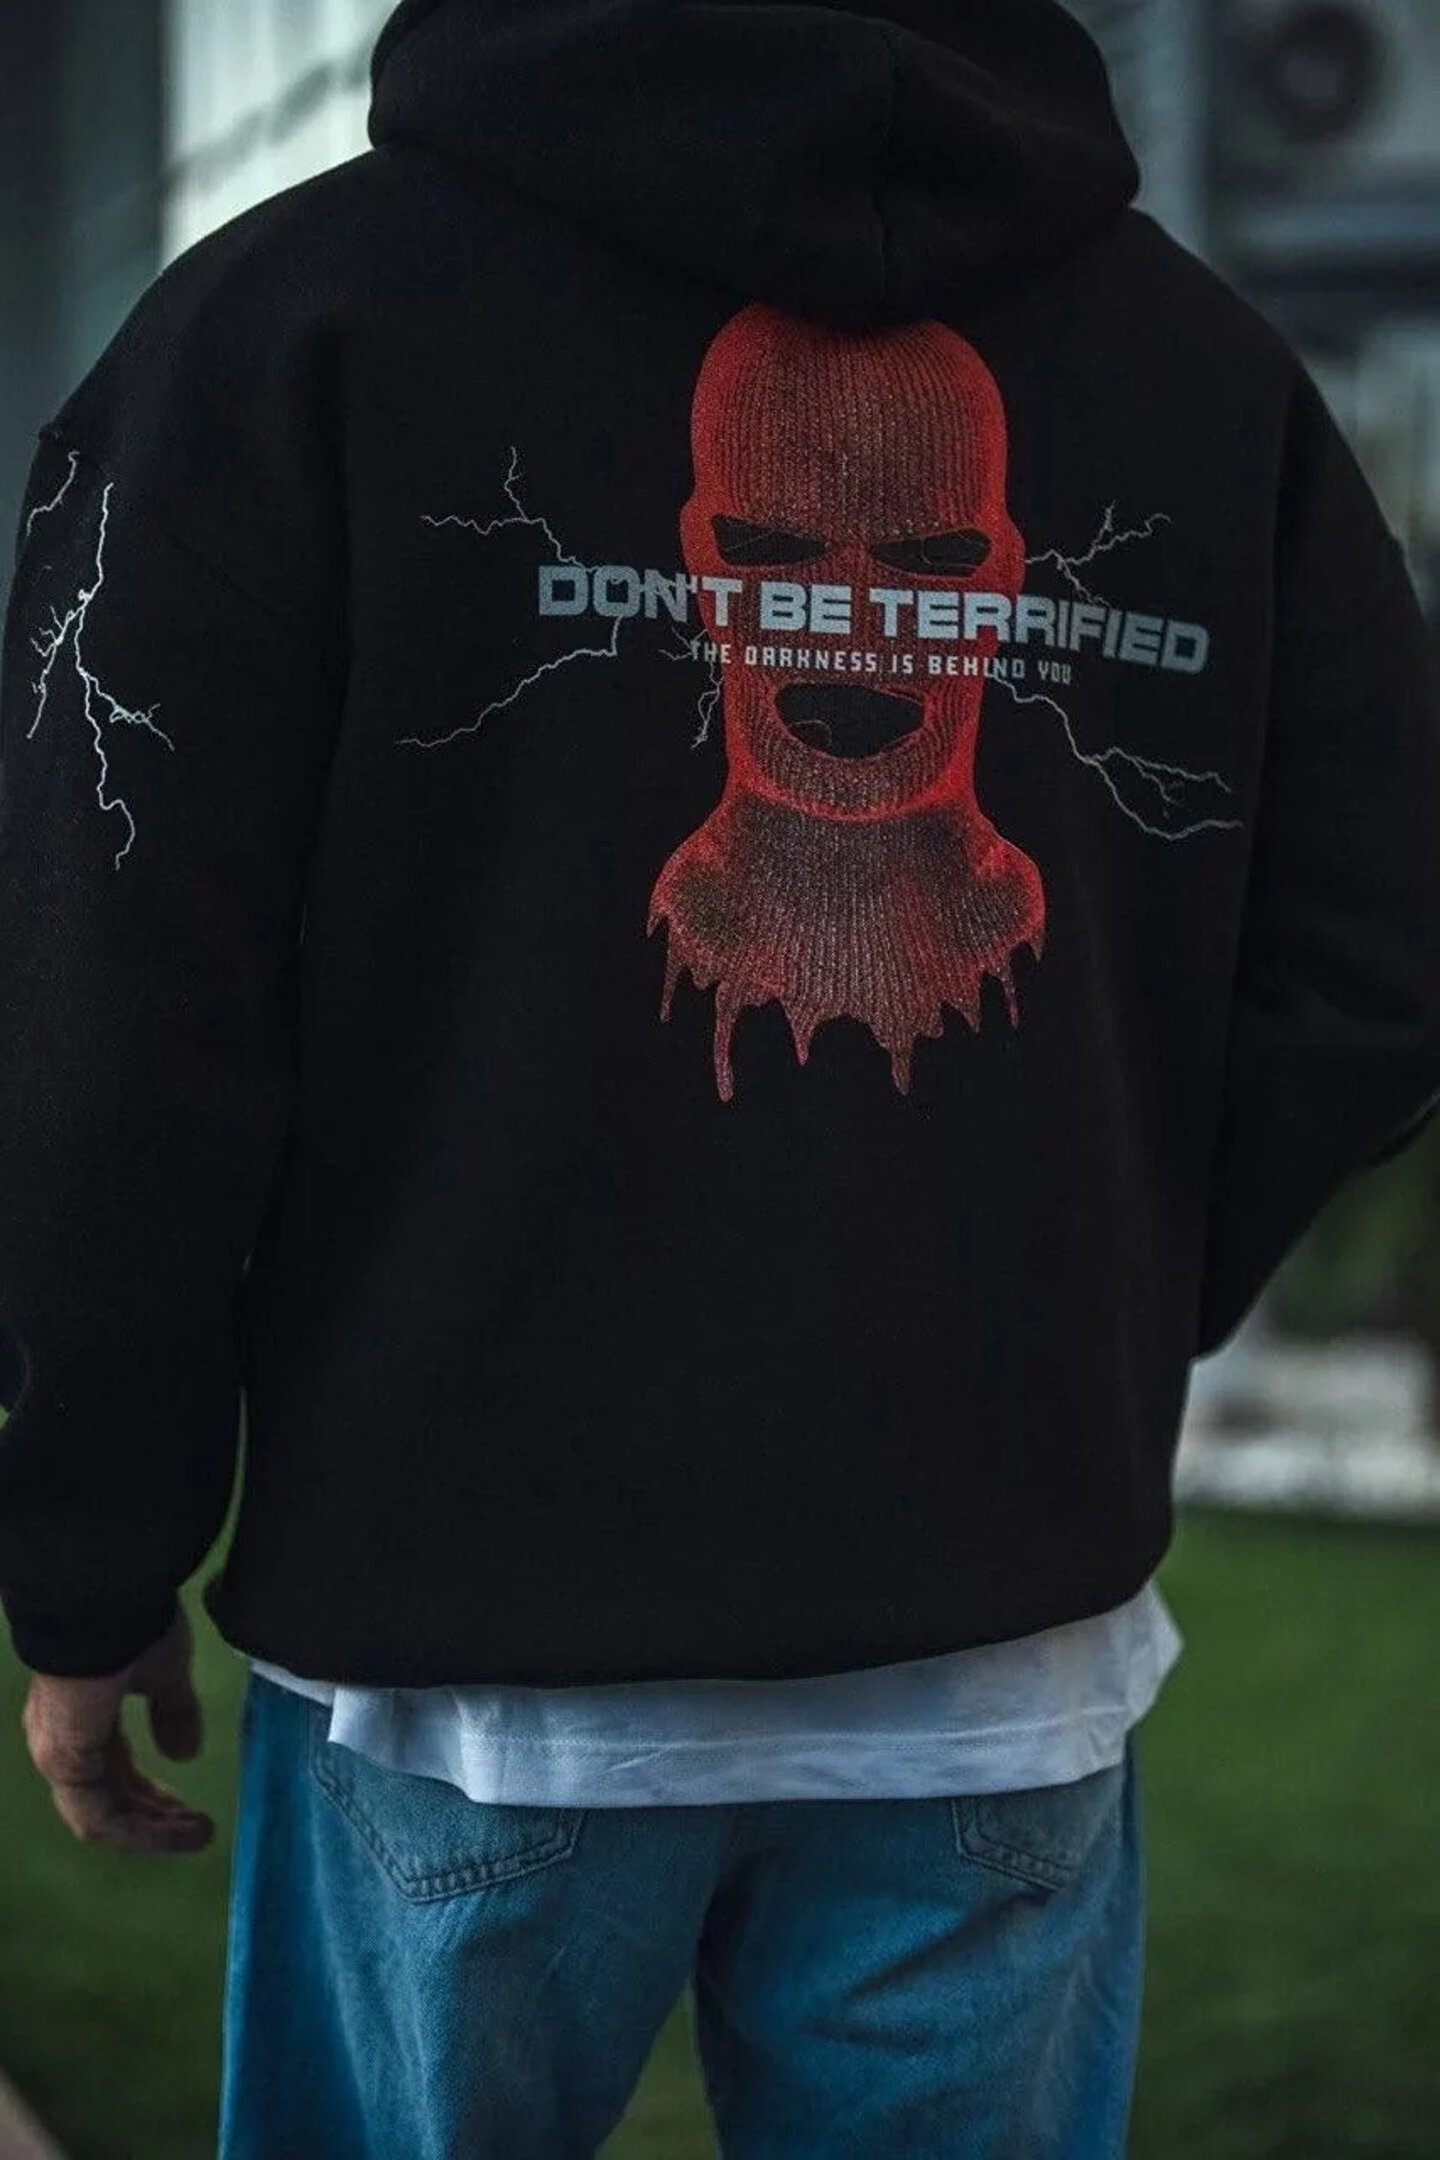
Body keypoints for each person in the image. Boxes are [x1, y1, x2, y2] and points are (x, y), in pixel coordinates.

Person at [3, 1, 1438, 2155]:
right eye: (773, 562)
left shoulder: (290, 325)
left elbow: (116, 1001)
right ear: (700, 542)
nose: (853, 650)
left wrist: (96, 1555)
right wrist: (1088, 1294)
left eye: (927, 573)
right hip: (992, 1667)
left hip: (462, 1671)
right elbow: (1380, 950)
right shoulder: (1212, 381)